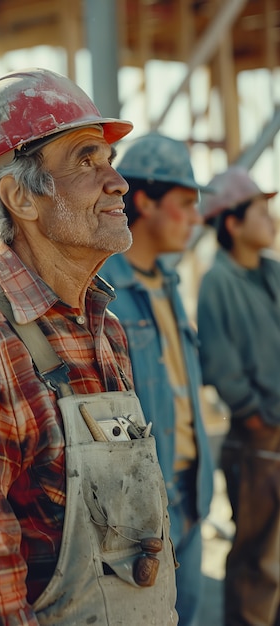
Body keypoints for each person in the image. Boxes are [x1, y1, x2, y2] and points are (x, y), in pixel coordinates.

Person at [0, 68, 178, 625]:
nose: (118, 183)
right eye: (85, 160)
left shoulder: (104, 327)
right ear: (20, 197)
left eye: (110, 160)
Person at [100, 132, 214, 626]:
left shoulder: (168, 284)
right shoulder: (106, 294)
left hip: (191, 495)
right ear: (143, 201)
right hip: (143, 513)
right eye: (185, 203)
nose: (195, 217)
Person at [197, 165, 280, 626]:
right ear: (232, 222)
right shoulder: (218, 282)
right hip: (258, 442)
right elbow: (222, 366)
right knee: (258, 560)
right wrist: (255, 417)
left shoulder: (273, 273)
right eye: (262, 212)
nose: (271, 221)